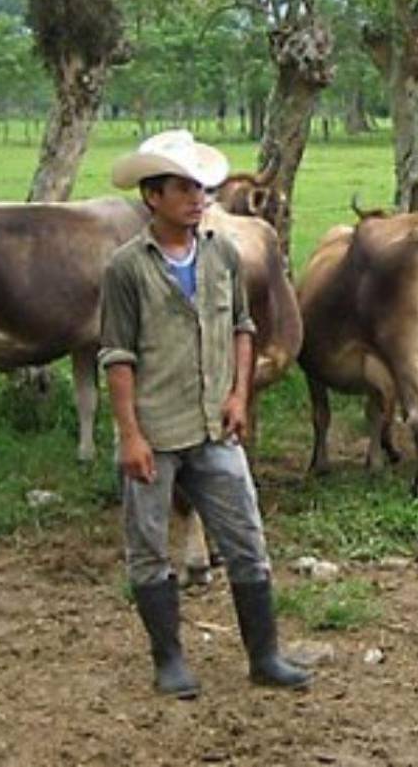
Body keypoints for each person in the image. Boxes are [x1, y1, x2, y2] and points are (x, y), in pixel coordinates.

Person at [100, 129, 310, 698]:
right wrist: (130, 436)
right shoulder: (126, 269)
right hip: (157, 428)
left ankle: (265, 656)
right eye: (185, 189)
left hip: (217, 426)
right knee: (148, 547)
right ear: (153, 197)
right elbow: (117, 357)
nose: (198, 199)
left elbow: (243, 328)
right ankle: (169, 661)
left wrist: (239, 395)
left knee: (246, 538)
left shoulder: (221, 254)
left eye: (201, 188)